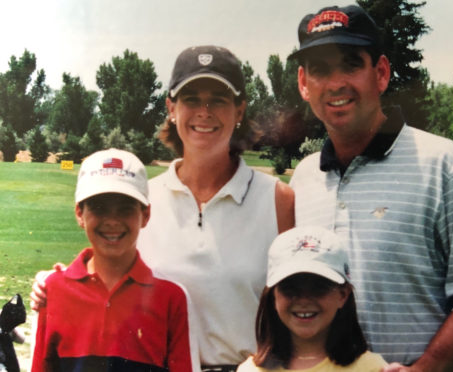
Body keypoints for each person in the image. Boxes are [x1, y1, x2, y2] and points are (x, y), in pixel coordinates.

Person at [31, 46, 295, 372]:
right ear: (171, 107)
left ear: (239, 110)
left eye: (219, 99)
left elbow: (300, 308)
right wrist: (51, 283)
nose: (204, 111)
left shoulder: (278, 200)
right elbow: (105, 274)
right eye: (191, 99)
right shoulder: (140, 200)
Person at [287, 5, 453, 371]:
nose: (336, 82)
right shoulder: (304, 178)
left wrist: (426, 367)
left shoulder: (444, 163)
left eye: (350, 64)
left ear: (381, 73)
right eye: (320, 70)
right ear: (303, 84)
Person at [31, 148, 196, 372]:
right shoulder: (53, 290)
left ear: (145, 215)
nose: (112, 221)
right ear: (80, 214)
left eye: (125, 209)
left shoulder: (170, 298)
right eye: (99, 208)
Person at [237, 226, 387, 372]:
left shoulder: (372, 368)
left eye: (318, 287)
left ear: (343, 295)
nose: (304, 300)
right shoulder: (250, 370)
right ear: (273, 295)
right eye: (290, 288)